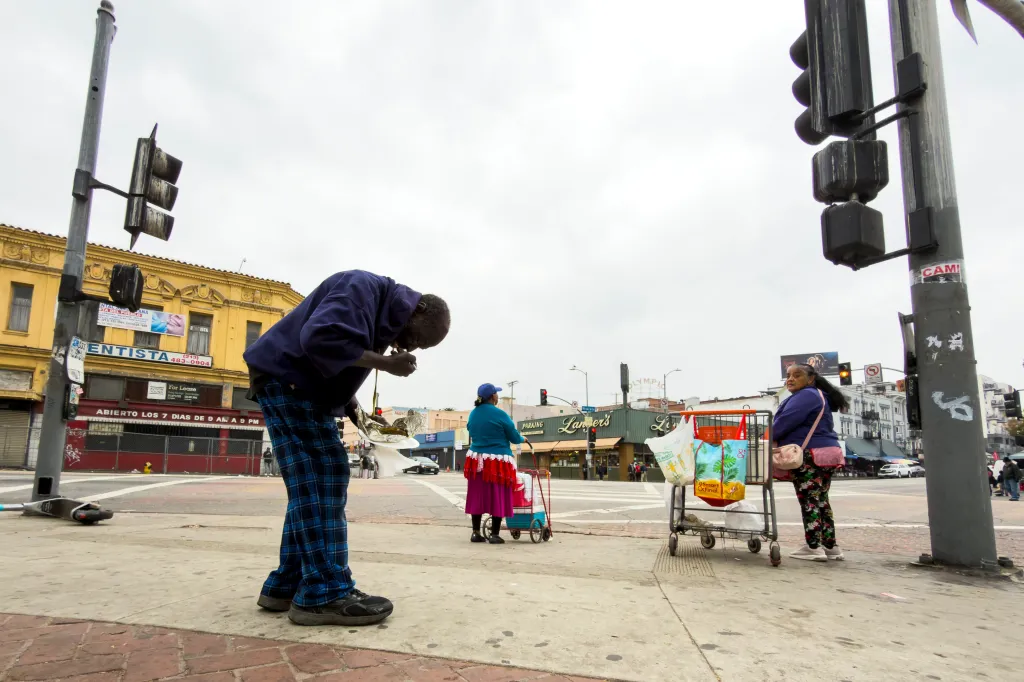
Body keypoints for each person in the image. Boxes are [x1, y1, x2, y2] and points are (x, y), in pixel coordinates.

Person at [243, 270, 450, 626]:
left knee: (316, 482)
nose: (410, 348)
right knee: (322, 479)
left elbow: (331, 360)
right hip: (290, 383)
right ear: (417, 311)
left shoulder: (378, 304)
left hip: (298, 385)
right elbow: (320, 339)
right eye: (417, 338)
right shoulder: (362, 288)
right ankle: (324, 592)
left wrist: (358, 413)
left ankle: (287, 584)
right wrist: (385, 364)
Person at [773, 363, 849, 562]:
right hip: (828, 453)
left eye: (796, 375)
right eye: (788, 376)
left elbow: (784, 423)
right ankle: (831, 546)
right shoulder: (818, 396)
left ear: (811, 378)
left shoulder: (806, 396)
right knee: (821, 500)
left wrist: (765, 437)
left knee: (809, 500)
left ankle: (813, 546)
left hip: (810, 455)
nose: (790, 379)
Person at [465, 383, 525, 544]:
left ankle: (476, 532)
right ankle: (494, 534)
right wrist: (522, 439)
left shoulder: (473, 414)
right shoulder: (500, 414)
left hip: (476, 458)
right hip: (498, 460)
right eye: (496, 394)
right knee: (499, 493)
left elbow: (470, 429)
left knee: (477, 494)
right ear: (492, 396)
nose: (498, 396)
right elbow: (513, 436)